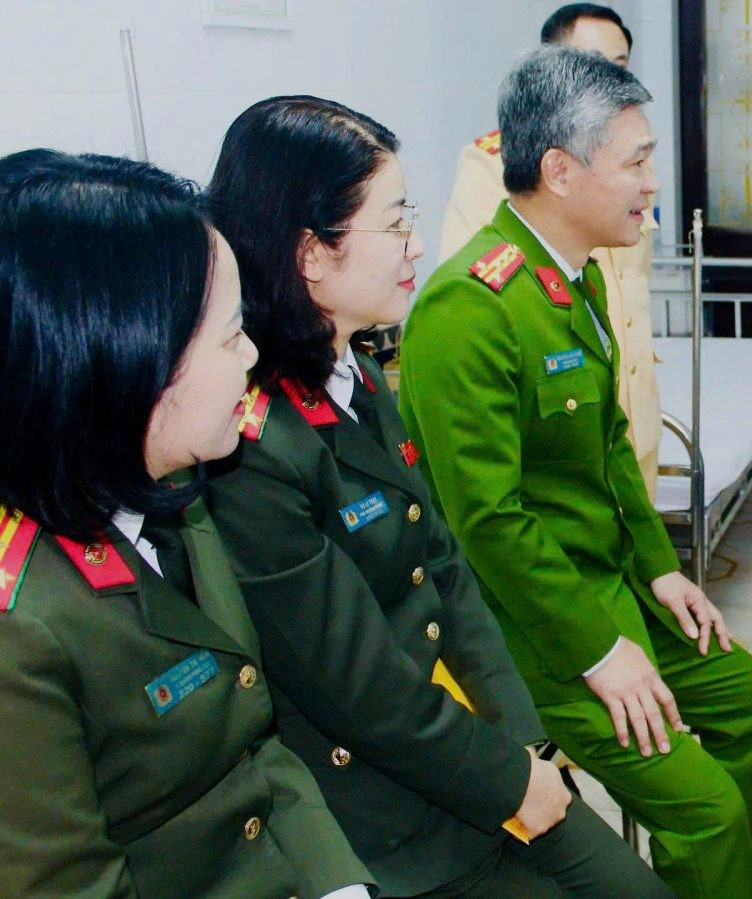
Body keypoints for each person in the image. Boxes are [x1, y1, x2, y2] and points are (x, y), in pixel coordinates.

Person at [203, 96, 670, 899]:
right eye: (394, 223)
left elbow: (443, 567)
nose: (416, 243)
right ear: (312, 253)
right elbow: (360, 687)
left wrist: (526, 744)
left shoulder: (355, 374)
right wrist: (509, 778)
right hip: (378, 817)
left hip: (468, 753)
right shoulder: (252, 451)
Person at [399, 46, 752, 898]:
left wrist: (661, 566)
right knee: (708, 811)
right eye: (636, 162)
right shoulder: (467, 308)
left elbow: (611, 439)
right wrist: (596, 651)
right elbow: (488, 522)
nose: (652, 184)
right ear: (560, 170)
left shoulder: (568, 278)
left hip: (617, 587)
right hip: (541, 632)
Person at [0, 149, 372, 898]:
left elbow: (253, 740)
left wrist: (342, 888)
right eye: (231, 337)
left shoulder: (172, 491)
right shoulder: (23, 625)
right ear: (131, 360)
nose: (252, 355)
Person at [439, 2, 663, 499]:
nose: (608, 80)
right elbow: (478, 302)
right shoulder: (497, 165)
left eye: (620, 67)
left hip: (630, 411)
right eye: (591, 64)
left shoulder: (627, 165)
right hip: (560, 414)